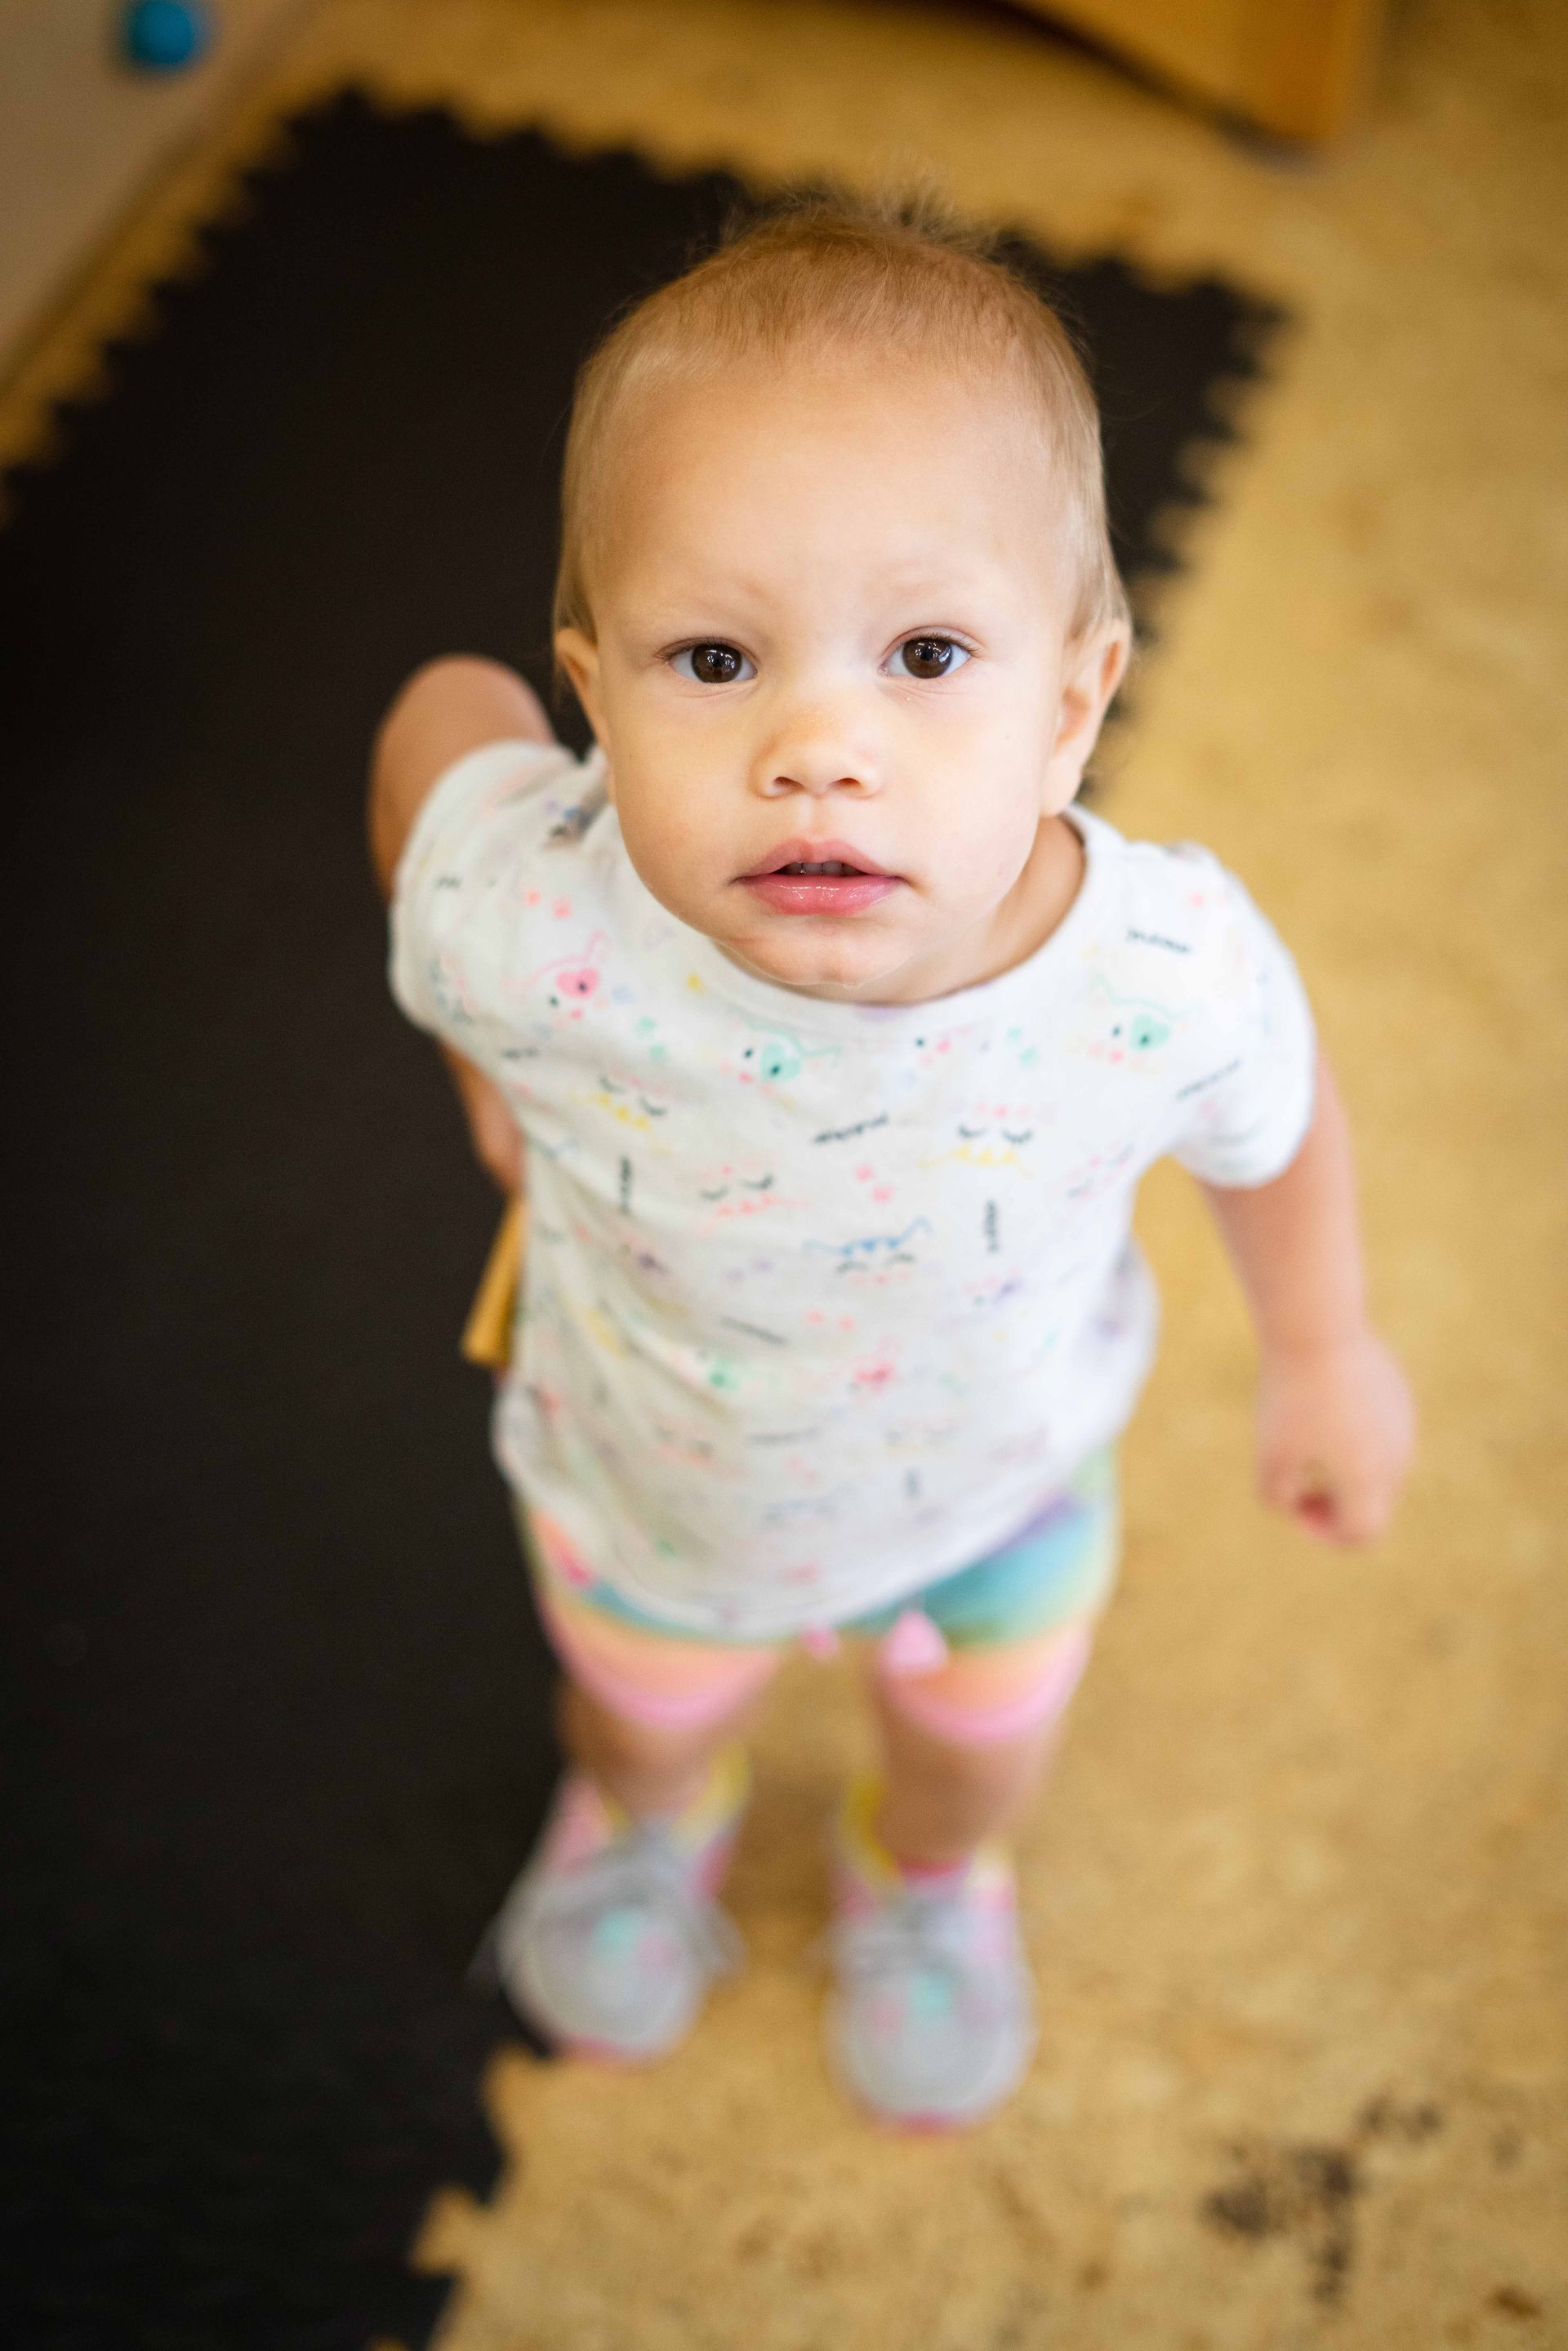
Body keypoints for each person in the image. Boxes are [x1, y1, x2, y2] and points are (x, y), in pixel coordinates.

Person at [368, 200, 1414, 2128]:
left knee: (975, 1753)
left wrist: (1327, 1344)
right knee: (641, 1711)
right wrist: (479, 1077)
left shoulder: (1159, 975)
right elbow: (441, 725)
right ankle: (639, 1825)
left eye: (928, 651)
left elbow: (1279, 1124)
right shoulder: (539, 921)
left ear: (1076, 702)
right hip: (647, 1474)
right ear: (595, 699)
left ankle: (928, 1882)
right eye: (713, 658)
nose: (819, 746)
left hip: (1004, 1488)